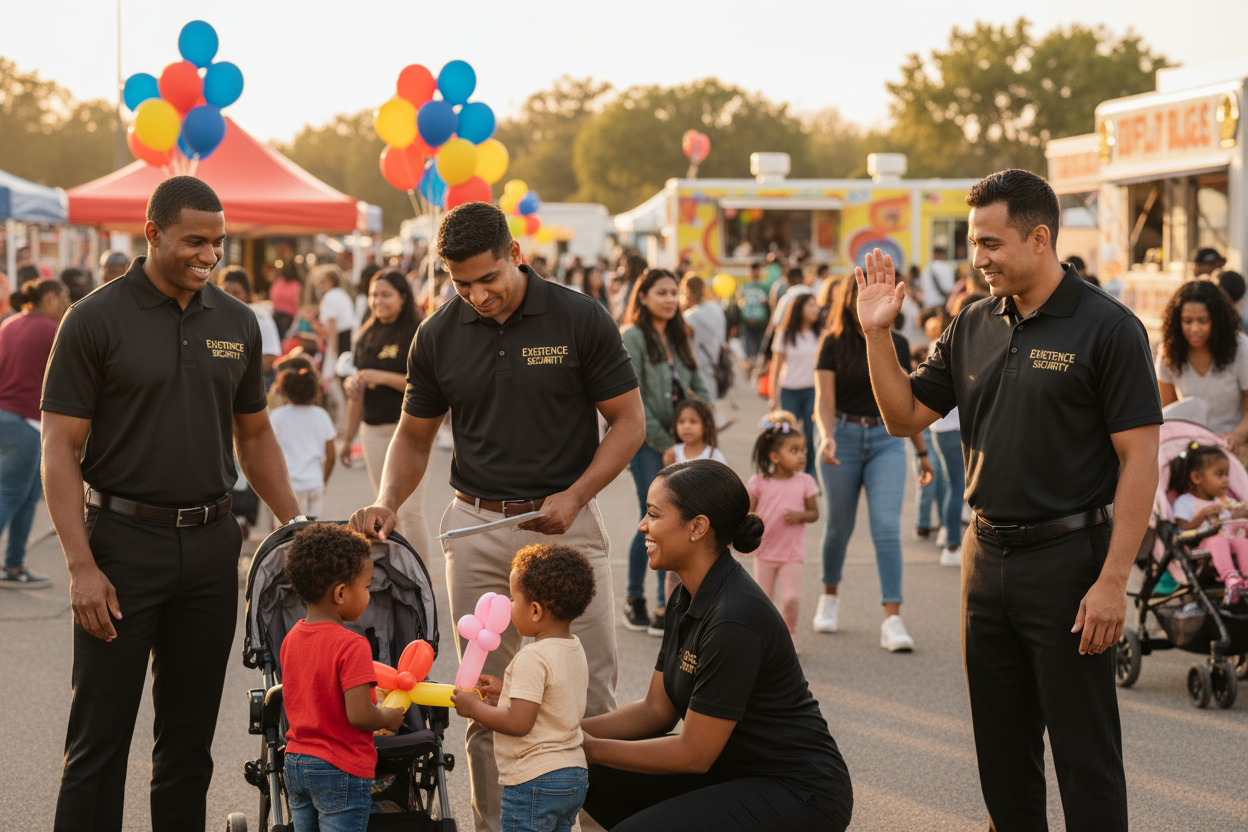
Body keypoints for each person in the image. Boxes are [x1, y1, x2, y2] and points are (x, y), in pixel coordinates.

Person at [856, 169, 1161, 830]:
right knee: (1001, 758)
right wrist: (878, 336)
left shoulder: (1107, 327)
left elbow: (1141, 461)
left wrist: (1112, 583)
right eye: (974, 242)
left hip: (1071, 565)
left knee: (1085, 759)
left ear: (1041, 238)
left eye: (991, 244)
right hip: (984, 558)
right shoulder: (972, 323)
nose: (978, 258)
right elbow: (904, 416)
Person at [349, 201, 644, 832]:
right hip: (476, 532)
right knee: (488, 700)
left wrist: (575, 495)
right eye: (461, 283)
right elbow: (413, 436)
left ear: (516, 254)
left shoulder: (579, 316)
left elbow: (629, 422)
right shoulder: (436, 333)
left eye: (489, 279)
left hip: (565, 529)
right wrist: (387, 499)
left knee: (584, 700)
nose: (477, 295)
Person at [41, 175, 303, 831]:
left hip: (213, 549)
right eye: (194, 241)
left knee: (188, 746)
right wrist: (80, 566)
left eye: (217, 243)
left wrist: (294, 524)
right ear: (152, 233)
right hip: (121, 548)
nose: (208, 255)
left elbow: (255, 434)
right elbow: (59, 450)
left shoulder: (238, 322)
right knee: (98, 741)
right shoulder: (95, 319)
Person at [580, 461, 853, 832]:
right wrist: (561, 731)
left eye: (654, 515)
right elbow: (656, 709)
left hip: (800, 791)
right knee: (585, 776)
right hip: (734, 770)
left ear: (697, 527)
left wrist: (587, 746)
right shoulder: (685, 594)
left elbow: (693, 754)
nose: (643, 525)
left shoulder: (734, 618)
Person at [811, 276, 932, 648]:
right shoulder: (832, 343)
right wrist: (826, 435)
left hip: (887, 439)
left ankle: (892, 619)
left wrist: (922, 452)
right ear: (849, 299)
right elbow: (824, 400)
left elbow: (905, 402)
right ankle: (829, 596)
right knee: (838, 528)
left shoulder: (896, 342)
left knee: (886, 529)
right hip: (842, 436)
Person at [452, 544, 596, 832]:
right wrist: (506, 691)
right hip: (572, 776)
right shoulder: (573, 648)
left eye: (513, 599)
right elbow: (552, 701)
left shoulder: (532, 657)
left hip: (535, 780)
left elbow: (519, 722)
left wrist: (475, 707)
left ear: (534, 611)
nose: (508, 605)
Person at [280, 524, 406, 830]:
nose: (367, 594)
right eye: (366, 587)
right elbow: (360, 715)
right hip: (339, 767)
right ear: (340, 593)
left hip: (297, 762)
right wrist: (388, 716)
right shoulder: (352, 645)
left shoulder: (292, 638)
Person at [621, 269, 710, 634]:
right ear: (643, 297)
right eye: (662, 293)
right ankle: (638, 599)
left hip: (684, 442)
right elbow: (633, 398)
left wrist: (700, 423)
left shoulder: (680, 334)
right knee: (656, 521)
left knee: (674, 521)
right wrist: (665, 444)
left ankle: (666, 604)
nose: (671, 299)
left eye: (675, 293)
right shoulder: (633, 336)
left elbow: (699, 384)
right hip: (645, 443)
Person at [339, 268, 429, 556]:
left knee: (409, 510)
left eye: (386, 295)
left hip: (410, 431)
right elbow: (358, 392)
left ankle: (422, 581)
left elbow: (428, 387)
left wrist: (380, 376)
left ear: (403, 297)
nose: (378, 301)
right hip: (373, 431)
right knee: (384, 509)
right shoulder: (365, 333)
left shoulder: (419, 332)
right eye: (373, 295)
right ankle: (400, 577)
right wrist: (348, 437)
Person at [0, 278, 69, 588]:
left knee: (26, 496)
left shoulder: (10, 324)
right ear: (51, 297)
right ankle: (13, 565)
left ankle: (14, 566)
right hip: (26, 421)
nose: (67, 303)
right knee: (13, 493)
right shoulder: (51, 330)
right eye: (64, 296)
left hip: (8, 417)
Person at [746, 411, 820, 643]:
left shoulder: (805, 482)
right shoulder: (759, 482)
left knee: (792, 599)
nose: (801, 456)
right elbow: (747, 513)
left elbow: (814, 513)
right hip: (765, 552)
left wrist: (800, 515)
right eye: (794, 450)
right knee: (763, 601)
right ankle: (762, 640)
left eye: (803, 450)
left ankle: (789, 638)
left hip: (791, 554)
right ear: (775, 456)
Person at [1156, 279, 1248, 446]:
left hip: (1234, 447)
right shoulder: (1169, 352)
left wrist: (1237, 435)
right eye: (1187, 321)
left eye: (1203, 320)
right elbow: (1169, 414)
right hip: (1190, 449)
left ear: (1218, 320)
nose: (1195, 329)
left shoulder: (1240, 348)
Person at [1169, 443, 1248, 604]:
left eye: (1227, 475)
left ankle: (1246, 577)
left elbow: (1238, 518)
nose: (1226, 481)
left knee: (1242, 541)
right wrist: (1202, 515)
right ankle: (1230, 577)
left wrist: (1241, 514)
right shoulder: (1186, 502)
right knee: (1218, 541)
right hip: (1203, 548)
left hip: (1231, 542)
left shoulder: (1226, 502)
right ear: (1197, 478)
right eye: (1219, 475)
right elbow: (1181, 528)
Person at [919, 307, 965, 568]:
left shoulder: (936, 345)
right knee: (956, 485)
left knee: (952, 484)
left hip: (941, 427)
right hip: (952, 426)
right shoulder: (954, 345)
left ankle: (949, 535)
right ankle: (952, 544)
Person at [271, 362, 338, 518]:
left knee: (285, 534)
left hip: (288, 487)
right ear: (315, 390)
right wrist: (323, 481)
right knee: (309, 532)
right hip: (314, 484)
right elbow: (332, 455)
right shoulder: (321, 415)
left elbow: (270, 452)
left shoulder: (278, 417)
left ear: (284, 391)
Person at [768, 292, 820, 476]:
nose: (816, 309)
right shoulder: (784, 334)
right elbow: (775, 368)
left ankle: (810, 475)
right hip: (789, 390)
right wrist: (772, 397)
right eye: (811, 305)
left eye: (816, 305)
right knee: (787, 434)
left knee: (811, 433)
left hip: (812, 390)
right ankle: (786, 472)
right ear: (799, 308)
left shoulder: (819, 334)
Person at [218, 266, 281, 376]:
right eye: (225, 291)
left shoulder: (260, 318)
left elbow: (268, 359)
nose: (229, 297)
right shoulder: (214, 317)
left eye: (236, 293)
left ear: (247, 295)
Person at [679, 274, 727, 403]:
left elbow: (679, 335)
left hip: (699, 366)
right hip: (714, 361)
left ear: (688, 292)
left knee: (701, 405)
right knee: (711, 406)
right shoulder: (716, 309)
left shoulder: (692, 316)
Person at [661, 398, 726, 467]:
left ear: (706, 426)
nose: (686, 427)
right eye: (681, 422)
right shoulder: (672, 454)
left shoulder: (714, 456)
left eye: (693, 421)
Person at [737, 261, 770, 359]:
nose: (755, 273)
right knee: (747, 355)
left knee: (761, 355)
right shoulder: (744, 286)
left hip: (762, 324)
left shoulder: (765, 287)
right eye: (752, 270)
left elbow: (771, 304)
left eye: (757, 270)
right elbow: (740, 303)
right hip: (747, 324)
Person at [270, 259, 304, 340]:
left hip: (282, 318)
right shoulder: (295, 285)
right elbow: (298, 305)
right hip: (285, 318)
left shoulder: (279, 282)